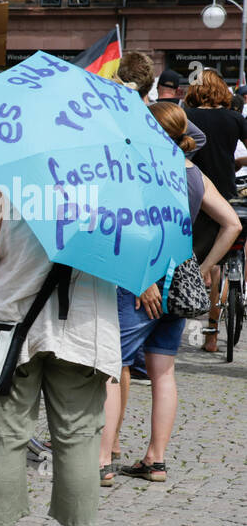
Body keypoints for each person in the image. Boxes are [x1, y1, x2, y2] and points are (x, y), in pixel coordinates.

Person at [0, 187, 121, 526]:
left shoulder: (5, 189)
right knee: (80, 439)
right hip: (85, 333)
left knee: (4, 437)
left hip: (10, 328)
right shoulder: (111, 191)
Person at [98, 102, 241, 486]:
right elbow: (232, 223)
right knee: (164, 373)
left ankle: (102, 460)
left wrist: (144, 278)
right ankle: (156, 459)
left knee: (114, 367)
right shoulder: (194, 173)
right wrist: (203, 265)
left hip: (142, 281)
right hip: (180, 279)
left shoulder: (145, 174)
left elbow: (138, 230)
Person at [184, 69, 247, 352]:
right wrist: (237, 162)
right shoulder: (235, 118)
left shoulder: (187, 115)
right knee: (218, 263)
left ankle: (180, 308)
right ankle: (210, 337)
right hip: (225, 196)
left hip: (192, 192)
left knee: (189, 252)